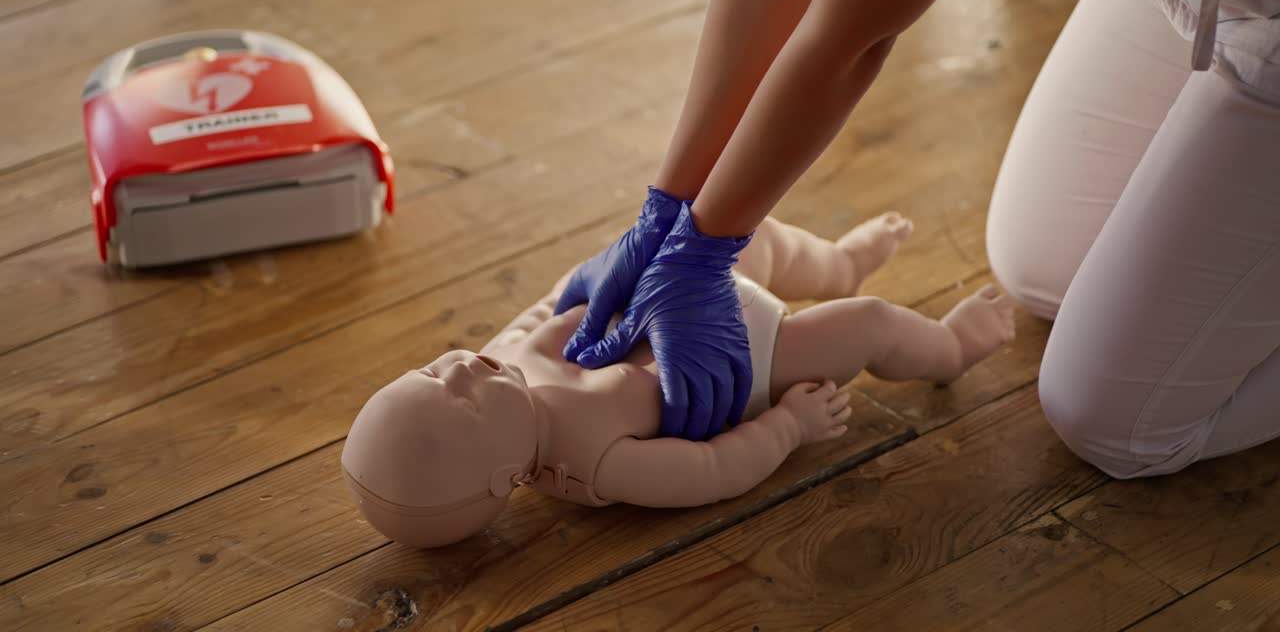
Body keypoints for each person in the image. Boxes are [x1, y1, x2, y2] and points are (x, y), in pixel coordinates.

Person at [555, 0, 1280, 478]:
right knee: (1042, 264)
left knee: (1119, 424)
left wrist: (706, 246)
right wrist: (669, 209)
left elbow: (850, 32)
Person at [342, 211, 1016, 547]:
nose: (460, 366)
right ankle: (950, 347)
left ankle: (836, 263)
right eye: (462, 399)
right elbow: (710, 472)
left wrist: (615, 264)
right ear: (502, 477)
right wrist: (787, 427)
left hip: (678, 292)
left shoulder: (499, 364)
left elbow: (552, 305)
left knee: (743, 228)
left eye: (432, 368)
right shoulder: (596, 465)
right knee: (867, 324)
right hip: (752, 361)